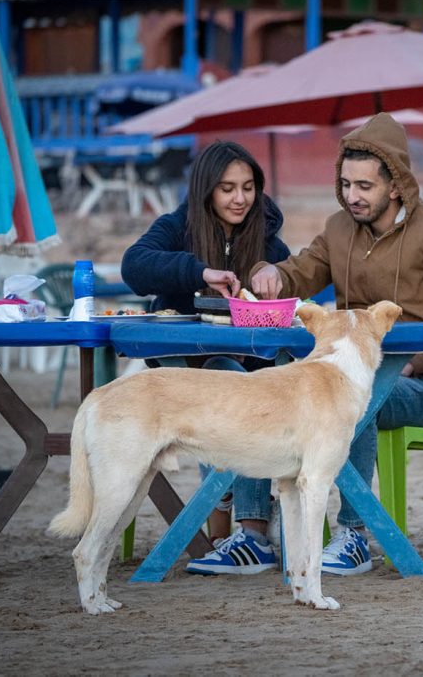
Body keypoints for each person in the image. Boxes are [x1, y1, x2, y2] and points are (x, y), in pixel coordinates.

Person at [252, 112, 423, 575]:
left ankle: (353, 535)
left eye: (364, 186)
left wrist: (418, 362)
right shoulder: (339, 228)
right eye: (345, 184)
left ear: (396, 185)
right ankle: (252, 534)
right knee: (270, 381)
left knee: (355, 395)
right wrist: (273, 275)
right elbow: (303, 270)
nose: (351, 196)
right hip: (353, 376)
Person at [121, 140, 290, 575]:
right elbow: (134, 265)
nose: (240, 199)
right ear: (206, 190)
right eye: (227, 188)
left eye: (248, 187)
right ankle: (241, 522)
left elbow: (295, 280)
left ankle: (250, 533)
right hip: (182, 366)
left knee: (252, 386)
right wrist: (200, 273)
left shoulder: (267, 236)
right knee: (236, 385)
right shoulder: (177, 225)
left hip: (247, 364)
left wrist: (279, 282)